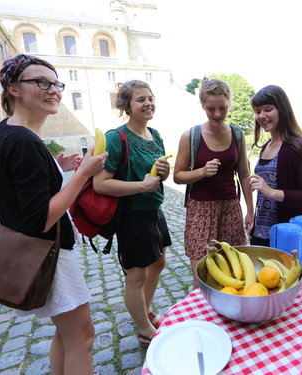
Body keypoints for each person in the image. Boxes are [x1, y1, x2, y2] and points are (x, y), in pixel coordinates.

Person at [0, 54, 107, 374]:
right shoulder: (23, 141)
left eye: (56, 83)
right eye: (40, 82)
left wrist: (59, 169)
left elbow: (16, 191)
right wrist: (83, 175)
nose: (53, 90)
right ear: (14, 88)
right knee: (82, 338)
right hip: (49, 254)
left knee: (66, 333)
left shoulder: (7, 131)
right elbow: (40, 218)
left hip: (34, 250)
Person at [93, 80, 172, 347]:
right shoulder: (116, 138)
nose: (148, 103)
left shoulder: (155, 134)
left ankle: (146, 310)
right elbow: (100, 183)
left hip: (154, 209)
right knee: (136, 275)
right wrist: (142, 185)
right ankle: (144, 330)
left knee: (159, 262)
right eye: (141, 99)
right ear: (127, 105)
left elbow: (158, 174)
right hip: (132, 216)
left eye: (150, 98)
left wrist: (163, 173)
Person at [173, 77, 254, 288]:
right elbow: (178, 176)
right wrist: (201, 172)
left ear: (229, 104)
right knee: (202, 277)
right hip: (200, 210)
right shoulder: (190, 136)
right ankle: (201, 317)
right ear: (202, 105)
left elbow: (244, 175)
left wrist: (250, 211)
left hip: (230, 209)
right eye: (211, 108)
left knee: (234, 272)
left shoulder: (237, 135)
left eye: (222, 108)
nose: (217, 114)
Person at [248, 85, 302, 246]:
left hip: (287, 235)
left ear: (282, 109)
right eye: (257, 111)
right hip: (261, 232)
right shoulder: (266, 146)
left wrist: (271, 192)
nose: (262, 116)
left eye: (268, 109)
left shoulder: (297, 147)